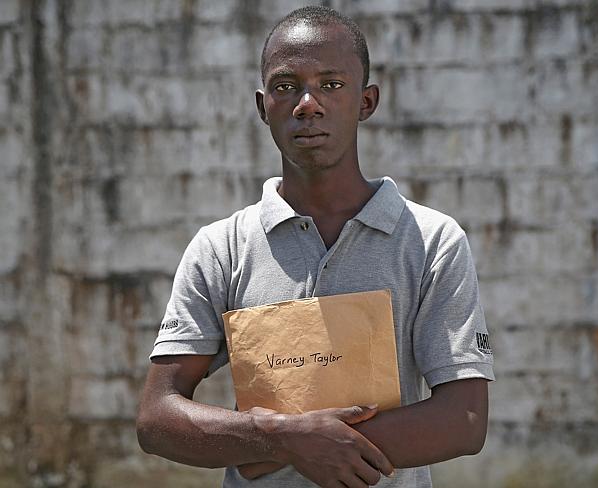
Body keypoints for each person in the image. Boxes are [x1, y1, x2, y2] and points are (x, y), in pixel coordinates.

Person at [136, 6, 494, 488]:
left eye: (331, 84)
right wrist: (281, 437)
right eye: (286, 87)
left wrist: (315, 443)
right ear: (263, 107)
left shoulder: (431, 241)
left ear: (366, 102)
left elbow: (463, 421)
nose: (308, 103)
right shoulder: (221, 248)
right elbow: (157, 419)